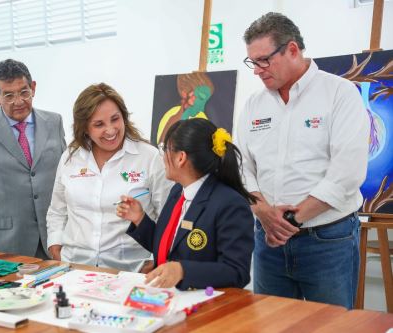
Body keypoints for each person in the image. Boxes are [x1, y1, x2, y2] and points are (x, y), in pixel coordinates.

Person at [235, 12, 369, 308]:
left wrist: (291, 220)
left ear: (293, 50)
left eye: (263, 60)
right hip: (268, 241)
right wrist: (262, 210)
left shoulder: (339, 94)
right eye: (252, 62)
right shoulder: (253, 105)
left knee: (331, 327)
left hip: (327, 240)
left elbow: (347, 173)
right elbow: (240, 166)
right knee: (272, 326)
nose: (257, 70)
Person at [46, 83, 173, 272]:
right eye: (99, 124)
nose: (111, 130)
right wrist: (55, 247)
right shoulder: (70, 157)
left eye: (115, 119)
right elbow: (57, 210)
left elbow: (168, 216)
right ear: (84, 128)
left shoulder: (149, 156)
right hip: (75, 267)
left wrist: (156, 258)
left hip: (132, 270)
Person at [116, 118, 255, 289]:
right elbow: (168, 247)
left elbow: (236, 272)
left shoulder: (230, 204)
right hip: (169, 299)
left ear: (181, 158)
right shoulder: (177, 191)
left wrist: (183, 271)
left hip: (208, 306)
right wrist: (140, 219)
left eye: (165, 149)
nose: (163, 157)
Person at [0, 59, 66, 259]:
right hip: (7, 243)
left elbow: (66, 178)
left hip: (55, 239)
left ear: (33, 87)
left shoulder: (54, 122)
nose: (18, 101)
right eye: (8, 95)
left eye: (24, 92)